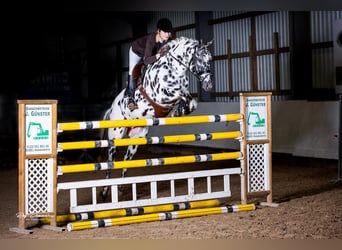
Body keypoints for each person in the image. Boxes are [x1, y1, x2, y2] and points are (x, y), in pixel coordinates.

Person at [125, 18, 173, 111]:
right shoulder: (151, 40)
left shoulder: (168, 39)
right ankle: (130, 98)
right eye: (165, 32)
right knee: (133, 70)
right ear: (158, 31)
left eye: (169, 32)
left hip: (150, 54)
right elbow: (146, 60)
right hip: (136, 52)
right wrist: (158, 55)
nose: (167, 34)